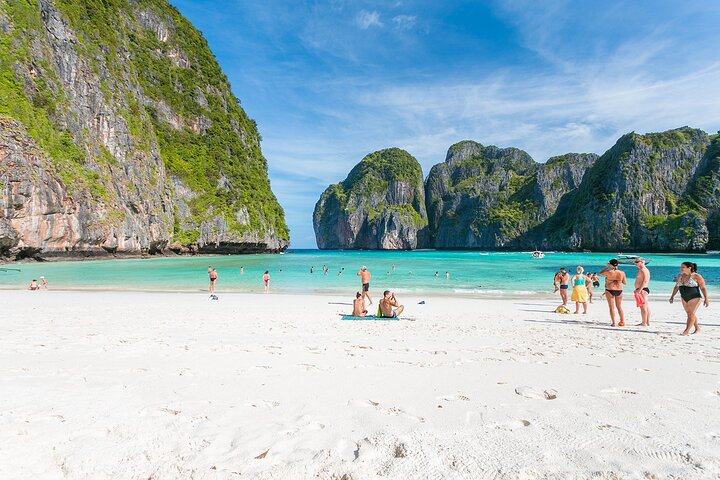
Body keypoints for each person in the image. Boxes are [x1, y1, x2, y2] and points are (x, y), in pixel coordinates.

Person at [669, 262, 709, 335]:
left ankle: (686, 331)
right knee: (690, 314)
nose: (681, 268)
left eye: (683, 267)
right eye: (681, 267)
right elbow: (676, 287)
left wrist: (706, 299)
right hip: (684, 297)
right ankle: (697, 328)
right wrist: (672, 296)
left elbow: (703, 288)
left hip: (695, 297)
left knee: (691, 314)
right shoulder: (680, 276)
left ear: (689, 268)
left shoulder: (696, 276)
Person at [599, 259, 627, 327]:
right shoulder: (622, 273)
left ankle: (614, 323)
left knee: (611, 307)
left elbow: (600, 273)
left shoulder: (608, 272)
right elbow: (625, 283)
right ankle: (622, 321)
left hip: (609, 290)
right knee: (619, 306)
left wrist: (606, 267)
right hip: (619, 290)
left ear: (610, 264)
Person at [634, 258, 651, 326]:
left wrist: (639, 290)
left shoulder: (643, 270)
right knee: (645, 306)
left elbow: (645, 281)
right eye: (635, 261)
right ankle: (646, 322)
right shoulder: (641, 270)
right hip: (642, 289)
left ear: (642, 262)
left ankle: (644, 322)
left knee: (643, 307)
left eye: (637, 261)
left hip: (642, 289)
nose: (635, 263)